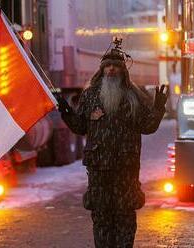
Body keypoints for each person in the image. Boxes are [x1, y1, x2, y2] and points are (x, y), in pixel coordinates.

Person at [56, 45, 168, 248]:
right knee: (101, 216)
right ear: (101, 70)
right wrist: (67, 113)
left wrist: (158, 107)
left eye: (115, 66)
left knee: (125, 215)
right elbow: (81, 126)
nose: (111, 70)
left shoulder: (134, 97)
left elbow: (148, 126)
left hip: (125, 169)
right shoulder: (90, 96)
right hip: (99, 169)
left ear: (123, 71)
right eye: (107, 66)